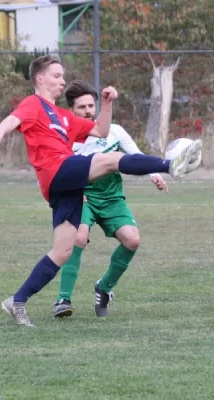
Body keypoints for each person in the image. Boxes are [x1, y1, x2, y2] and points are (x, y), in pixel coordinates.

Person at [0, 55, 202, 327]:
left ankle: (17, 301)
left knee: (63, 250)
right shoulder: (33, 104)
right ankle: (172, 165)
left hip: (65, 185)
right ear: (40, 79)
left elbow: (100, 130)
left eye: (63, 76)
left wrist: (108, 103)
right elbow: (12, 120)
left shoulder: (64, 116)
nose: (62, 80)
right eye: (56, 75)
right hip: (55, 170)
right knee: (108, 161)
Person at [53, 80, 168, 318]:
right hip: (81, 196)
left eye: (90, 106)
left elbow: (135, 155)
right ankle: (63, 299)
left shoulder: (114, 131)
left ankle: (104, 288)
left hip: (111, 198)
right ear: (72, 110)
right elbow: (55, 170)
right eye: (81, 107)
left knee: (132, 240)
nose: (87, 111)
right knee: (78, 237)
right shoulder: (65, 136)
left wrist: (154, 175)